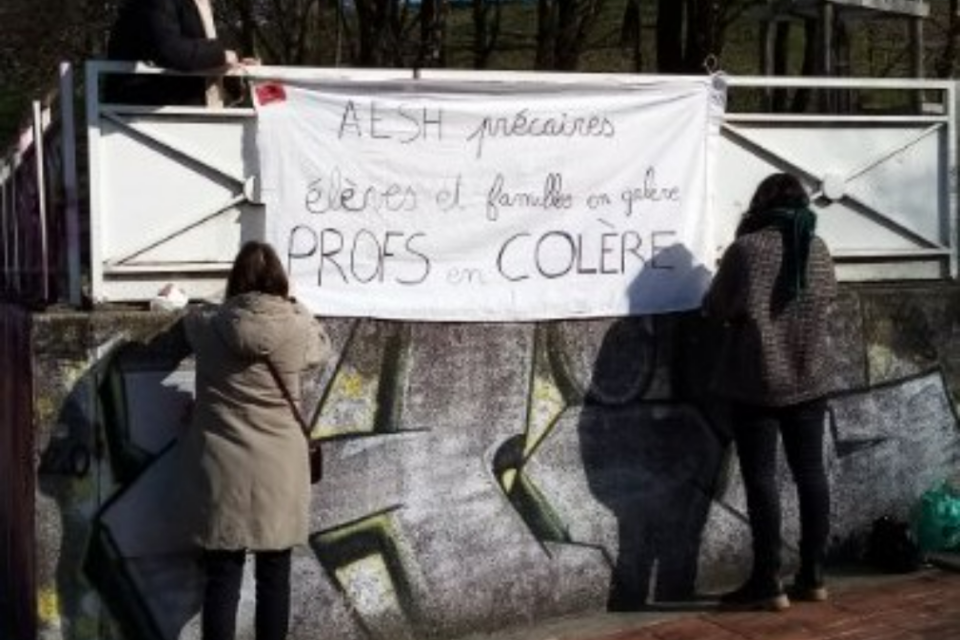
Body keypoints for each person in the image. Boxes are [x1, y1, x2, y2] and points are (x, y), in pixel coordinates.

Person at [179, 241, 330, 640]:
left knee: (222, 576)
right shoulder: (296, 328)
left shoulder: (210, 326)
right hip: (280, 468)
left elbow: (187, 320)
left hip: (223, 466)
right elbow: (322, 348)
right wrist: (299, 306)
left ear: (235, 280)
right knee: (275, 575)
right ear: (280, 280)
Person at [702, 172, 837, 612]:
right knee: (811, 473)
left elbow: (716, 307)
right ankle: (814, 576)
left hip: (756, 380)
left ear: (760, 204)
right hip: (810, 377)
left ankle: (767, 581)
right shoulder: (818, 248)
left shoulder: (747, 249)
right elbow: (828, 300)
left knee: (761, 479)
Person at [105, 0, 248, 106]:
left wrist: (237, 71)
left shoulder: (202, 6)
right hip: (147, 118)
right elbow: (170, 51)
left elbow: (200, 52)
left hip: (190, 117)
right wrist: (221, 55)